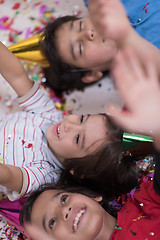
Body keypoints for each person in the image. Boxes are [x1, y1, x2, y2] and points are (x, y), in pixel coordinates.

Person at [19, 41, 160, 240]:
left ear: (93, 196)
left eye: (63, 199)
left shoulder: (143, 201)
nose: (64, 211)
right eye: (51, 223)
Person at [1, 40, 142, 202]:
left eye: (77, 139)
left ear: (77, 170)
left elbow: (7, 175)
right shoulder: (49, 115)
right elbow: (17, 76)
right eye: (82, 119)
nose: (70, 126)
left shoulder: (45, 176)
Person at [40, 0, 160, 91]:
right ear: (91, 74)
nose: (88, 33)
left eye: (80, 25)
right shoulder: (138, 80)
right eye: (80, 49)